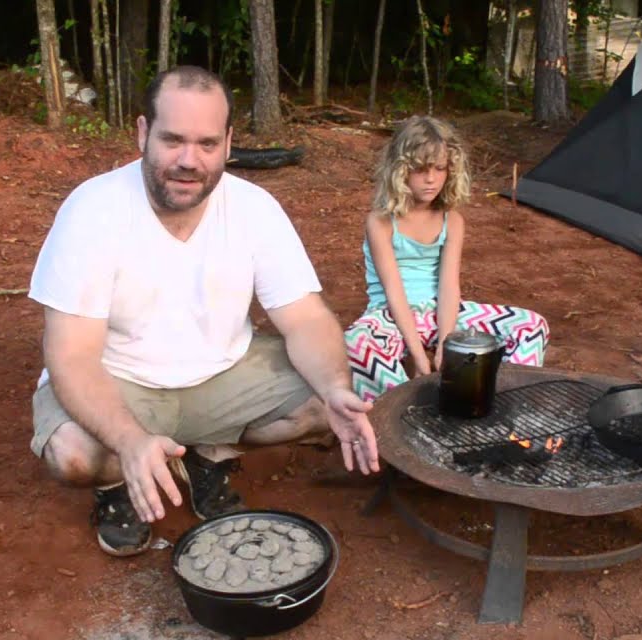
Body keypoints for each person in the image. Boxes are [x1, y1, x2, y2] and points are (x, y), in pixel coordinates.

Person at [28, 66, 380, 557]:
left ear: (229, 143)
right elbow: (72, 356)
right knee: (75, 456)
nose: (189, 161)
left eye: (207, 144)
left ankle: (207, 457)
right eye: (172, 140)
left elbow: (306, 318)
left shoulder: (255, 208)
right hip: (120, 380)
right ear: (143, 133)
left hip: (224, 373)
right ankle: (117, 483)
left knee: (329, 402)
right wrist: (128, 440)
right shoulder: (92, 211)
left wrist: (335, 386)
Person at [344, 116, 550, 402]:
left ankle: (503, 400)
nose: (431, 179)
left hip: (441, 312)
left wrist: (446, 343)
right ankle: (404, 408)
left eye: (440, 168)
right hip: (390, 315)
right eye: (420, 169)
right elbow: (393, 289)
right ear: (400, 170)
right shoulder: (380, 221)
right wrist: (419, 355)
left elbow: (449, 285)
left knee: (532, 325)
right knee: (357, 342)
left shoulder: (451, 221)